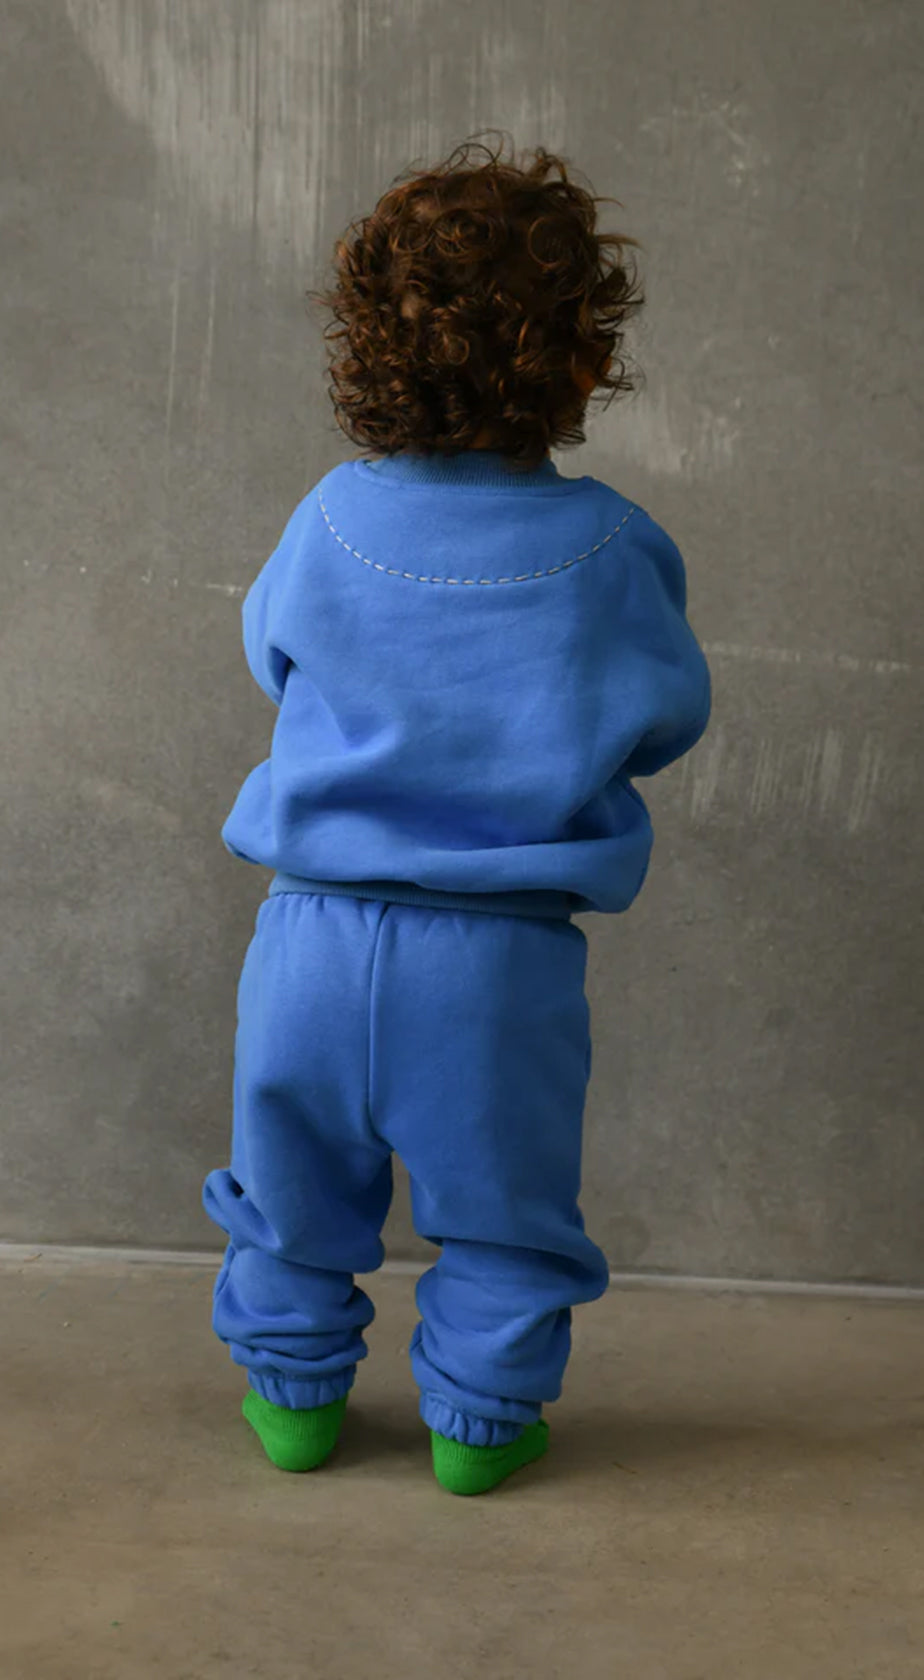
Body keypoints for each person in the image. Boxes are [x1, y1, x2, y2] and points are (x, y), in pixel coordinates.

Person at [203, 139, 711, 1495]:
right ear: (583, 362)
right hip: (498, 963)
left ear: (366, 352)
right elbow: (666, 717)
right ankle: (480, 1427)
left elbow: (273, 660)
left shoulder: (327, 521)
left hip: (307, 942)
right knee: (503, 1210)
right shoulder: (612, 550)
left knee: (289, 1191)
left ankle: (296, 1401)